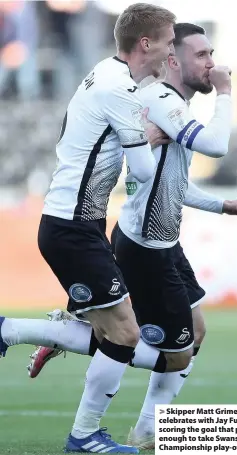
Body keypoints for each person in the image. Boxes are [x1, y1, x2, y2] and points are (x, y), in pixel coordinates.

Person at [0, 21, 237, 450]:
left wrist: (223, 206)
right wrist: (228, 93)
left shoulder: (162, 100)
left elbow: (169, 182)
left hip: (160, 239)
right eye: (202, 55)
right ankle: (121, 419)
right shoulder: (158, 101)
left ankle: (142, 425)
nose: (213, 64)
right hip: (143, 245)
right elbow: (214, 146)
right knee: (153, 348)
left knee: (191, 335)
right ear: (171, 57)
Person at [0, 3, 177, 453]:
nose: (170, 52)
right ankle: (84, 436)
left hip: (80, 223)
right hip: (72, 226)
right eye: (168, 42)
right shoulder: (120, 90)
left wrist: (145, 130)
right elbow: (141, 167)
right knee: (125, 335)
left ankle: (10, 331)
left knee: (112, 333)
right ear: (145, 44)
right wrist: (165, 135)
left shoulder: (105, 72)